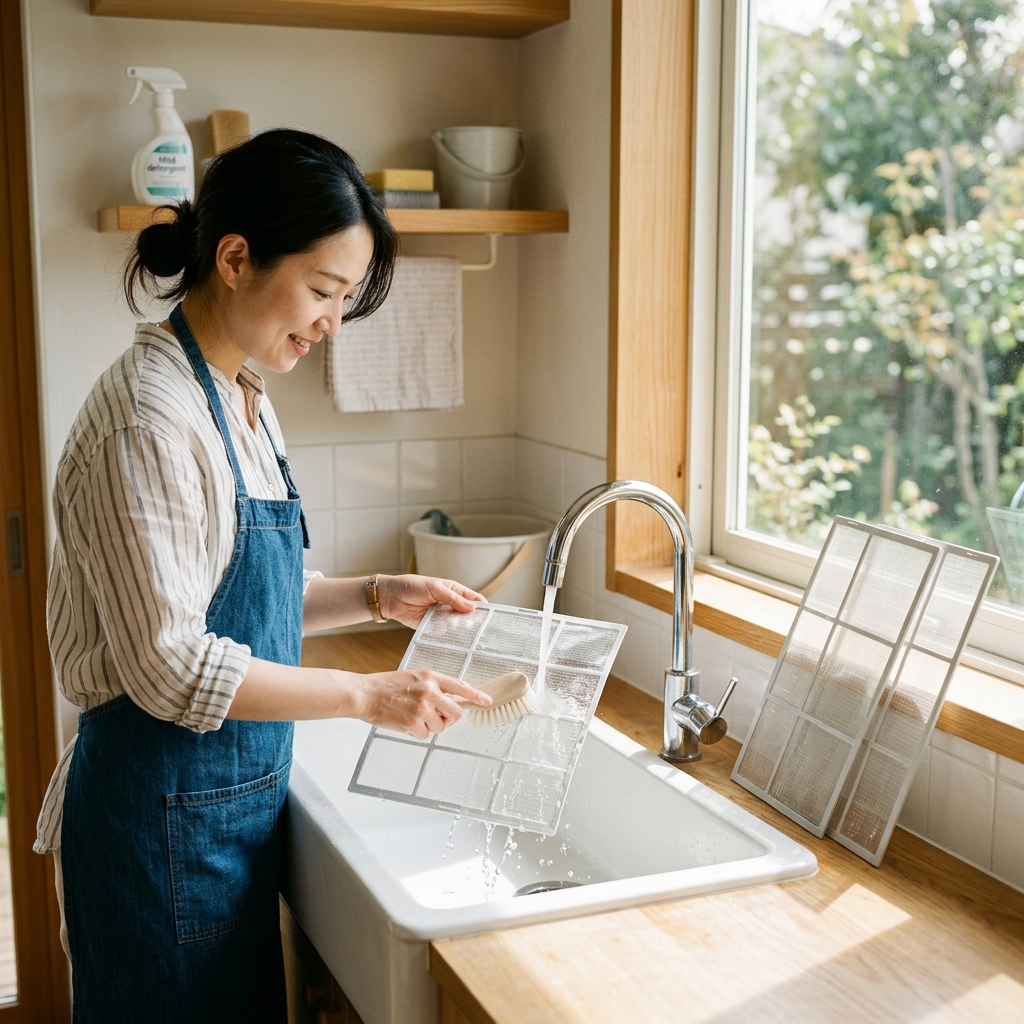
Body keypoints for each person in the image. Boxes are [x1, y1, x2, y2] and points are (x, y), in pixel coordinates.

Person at [33, 128, 491, 1024]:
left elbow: (241, 595)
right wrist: (370, 696)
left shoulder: (241, 394)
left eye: (345, 298)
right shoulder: (149, 420)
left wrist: (371, 596)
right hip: (155, 828)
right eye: (322, 290)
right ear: (235, 258)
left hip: (222, 820)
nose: (331, 323)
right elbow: (173, 664)